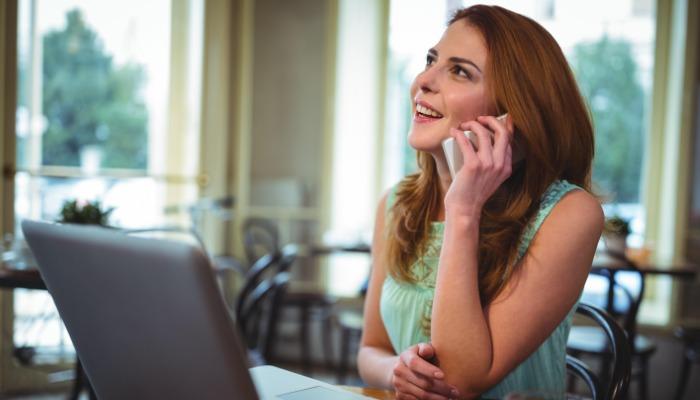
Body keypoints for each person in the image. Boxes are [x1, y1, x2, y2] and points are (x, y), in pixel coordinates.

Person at [357, 5, 603, 399]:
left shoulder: (570, 215)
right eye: (431, 61)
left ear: (513, 115)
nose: (423, 81)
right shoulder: (395, 204)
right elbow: (372, 349)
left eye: (459, 71)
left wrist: (464, 210)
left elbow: (460, 380)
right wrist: (396, 372)